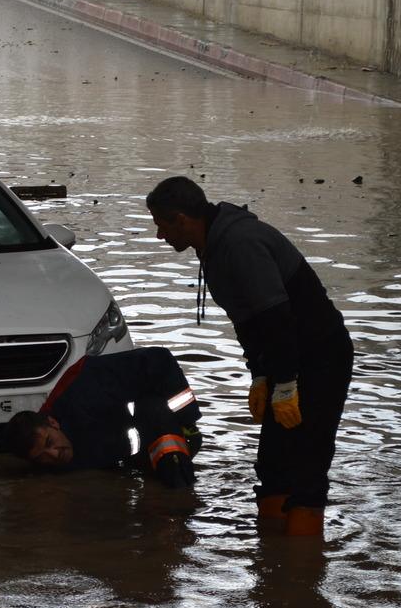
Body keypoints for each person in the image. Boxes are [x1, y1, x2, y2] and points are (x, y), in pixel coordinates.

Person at [145, 176, 353, 536]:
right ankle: (272, 562)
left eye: (161, 225)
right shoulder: (213, 246)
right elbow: (248, 321)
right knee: (273, 465)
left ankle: (302, 571)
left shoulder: (240, 245)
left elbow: (277, 320)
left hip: (321, 358)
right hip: (284, 359)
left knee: (307, 464)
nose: (159, 235)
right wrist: (259, 373)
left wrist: (285, 385)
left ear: (181, 219)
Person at [4, 348, 203, 487]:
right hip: (125, 456)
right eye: (42, 456)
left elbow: (158, 358)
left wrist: (187, 420)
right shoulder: (45, 466)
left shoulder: (87, 389)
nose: (55, 454)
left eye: (50, 442)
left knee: (158, 419)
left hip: (155, 424)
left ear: (53, 423)